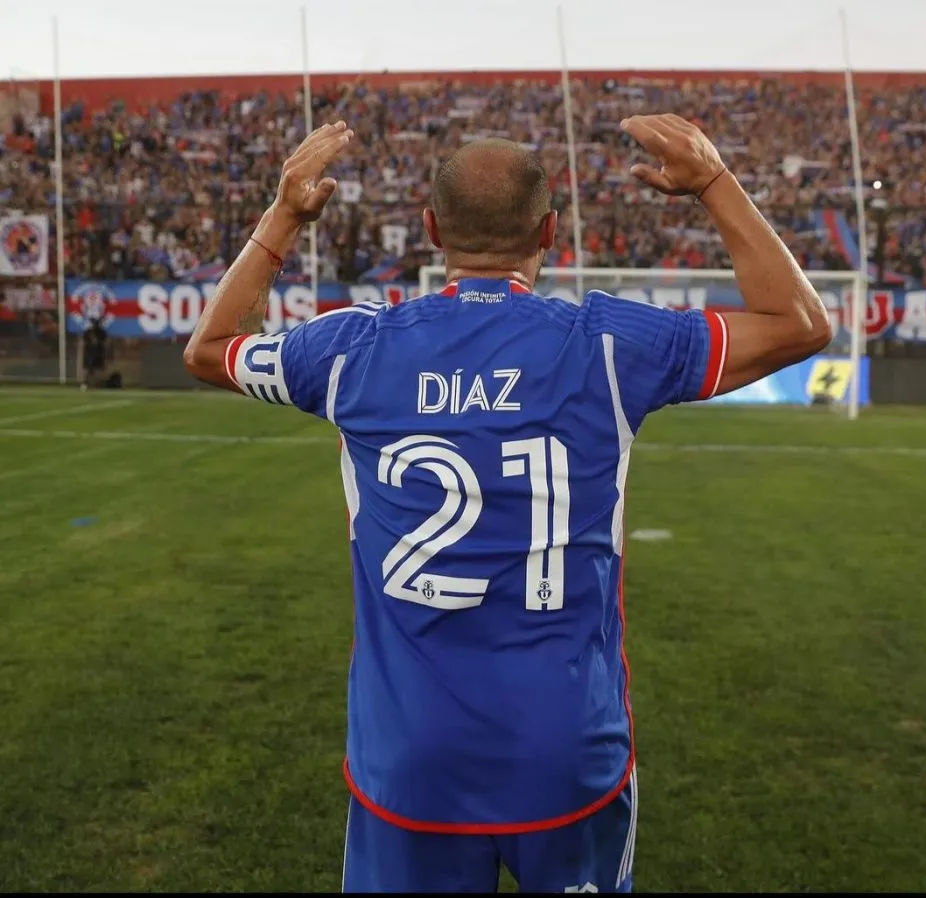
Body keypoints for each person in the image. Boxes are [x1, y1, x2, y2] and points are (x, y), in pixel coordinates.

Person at [184, 115, 831, 893]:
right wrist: (714, 183)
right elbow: (799, 323)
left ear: (429, 229)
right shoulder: (606, 344)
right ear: (550, 231)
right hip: (565, 751)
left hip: (409, 757)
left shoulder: (351, 348)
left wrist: (286, 212)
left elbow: (209, 346)